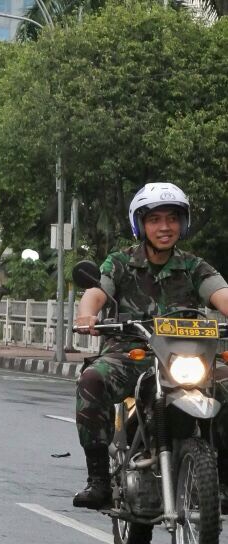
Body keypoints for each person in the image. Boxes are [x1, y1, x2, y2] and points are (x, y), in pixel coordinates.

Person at [71, 182, 228, 509]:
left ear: (182, 223)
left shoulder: (194, 266)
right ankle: (98, 479)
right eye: (155, 219)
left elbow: (221, 294)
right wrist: (87, 315)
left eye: (172, 218)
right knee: (91, 381)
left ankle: (222, 481)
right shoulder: (120, 262)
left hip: (185, 356)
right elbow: (96, 292)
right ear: (140, 224)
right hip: (132, 355)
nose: (165, 227)